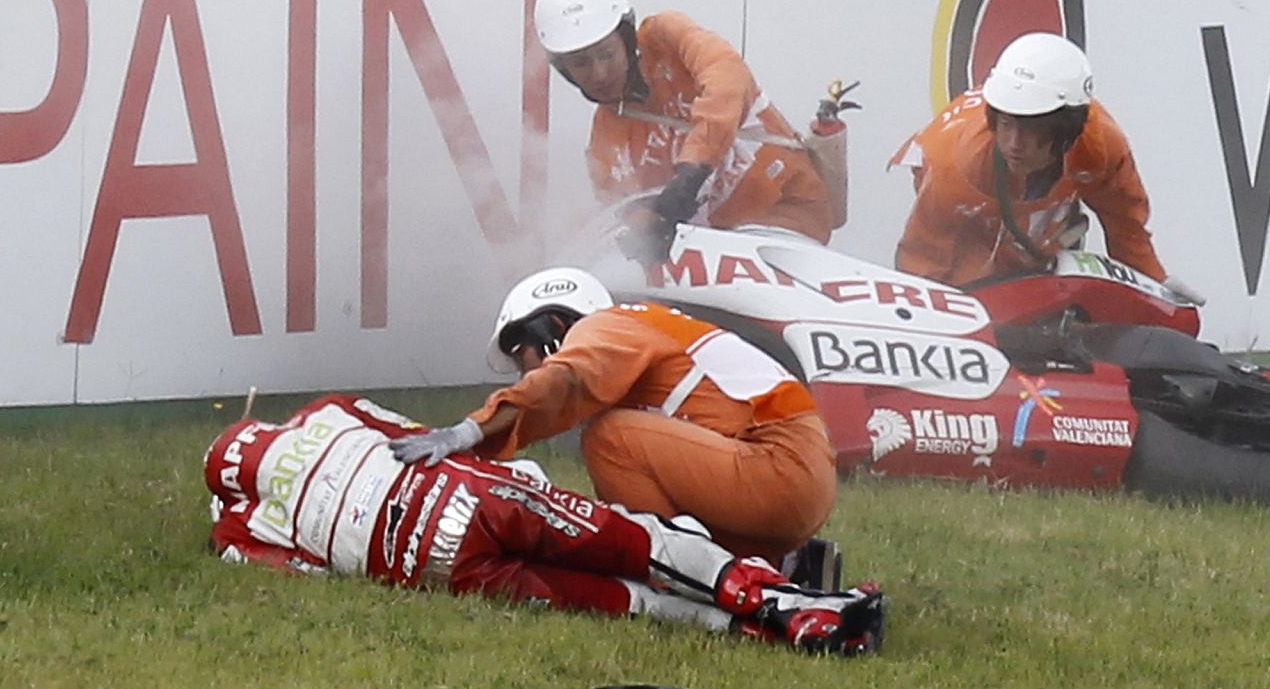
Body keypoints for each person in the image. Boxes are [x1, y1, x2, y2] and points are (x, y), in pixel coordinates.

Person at [205, 392, 886, 657]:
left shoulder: (238, 525)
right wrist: (510, 477)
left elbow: (299, 566)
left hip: (440, 567)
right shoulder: (321, 411)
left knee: (620, 599)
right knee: (634, 542)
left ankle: (749, 630)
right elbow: (412, 432)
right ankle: (793, 607)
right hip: (471, 498)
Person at [387, 266, 837, 566]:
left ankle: (679, 578)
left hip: (778, 468)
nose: (525, 371)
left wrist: (469, 431)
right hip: (793, 472)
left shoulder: (606, 326)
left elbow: (564, 382)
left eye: (520, 352)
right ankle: (775, 571)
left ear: (551, 328)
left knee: (610, 439)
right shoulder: (646, 328)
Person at [533, 0, 837, 256]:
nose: (599, 73)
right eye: (582, 63)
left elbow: (729, 78)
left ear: (626, 39)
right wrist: (646, 230)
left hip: (788, 215)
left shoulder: (667, 38)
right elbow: (624, 210)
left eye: (607, 54)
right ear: (565, 71)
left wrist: (692, 171)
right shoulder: (605, 142)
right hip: (717, 257)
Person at [891, 32, 1204, 303]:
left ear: (1067, 131)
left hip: (1038, 217)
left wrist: (1156, 289)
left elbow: (1126, 227)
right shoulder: (955, 165)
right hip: (963, 198)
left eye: (1030, 129)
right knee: (974, 284)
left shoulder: (1102, 146)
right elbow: (923, 258)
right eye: (1005, 123)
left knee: (1038, 283)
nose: (1013, 143)